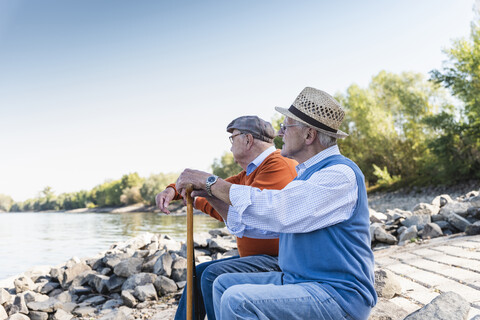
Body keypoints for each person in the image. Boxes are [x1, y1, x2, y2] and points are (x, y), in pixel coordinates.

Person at [176, 87, 377, 320]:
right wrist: (210, 194)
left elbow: (278, 210)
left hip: (337, 294)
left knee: (237, 300)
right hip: (300, 280)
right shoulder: (304, 176)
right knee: (221, 284)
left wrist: (211, 182)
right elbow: (263, 227)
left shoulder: (338, 174)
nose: (280, 133)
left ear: (309, 135)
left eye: (286, 126)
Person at [155, 115, 297, 320]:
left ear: (248, 140)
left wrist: (207, 191)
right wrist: (174, 191)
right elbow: (211, 191)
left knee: (213, 276)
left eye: (233, 138)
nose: (230, 147)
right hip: (259, 259)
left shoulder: (277, 165)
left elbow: (252, 214)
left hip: (280, 260)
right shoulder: (250, 172)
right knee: (199, 273)